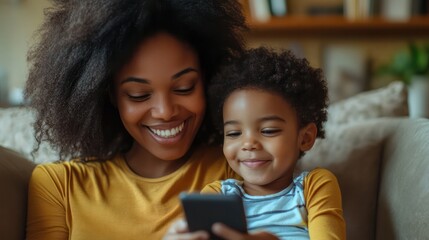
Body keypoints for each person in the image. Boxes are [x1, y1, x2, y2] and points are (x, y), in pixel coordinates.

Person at [24, 0, 248, 239]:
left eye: (184, 88)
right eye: (139, 95)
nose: (165, 111)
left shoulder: (240, 165)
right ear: (109, 94)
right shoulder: (60, 186)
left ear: (208, 81)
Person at [165, 47, 346, 240]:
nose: (249, 144)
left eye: (268, 130)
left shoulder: (314, 186)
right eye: (234, 133)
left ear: (305, 138)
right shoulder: (218, 194)